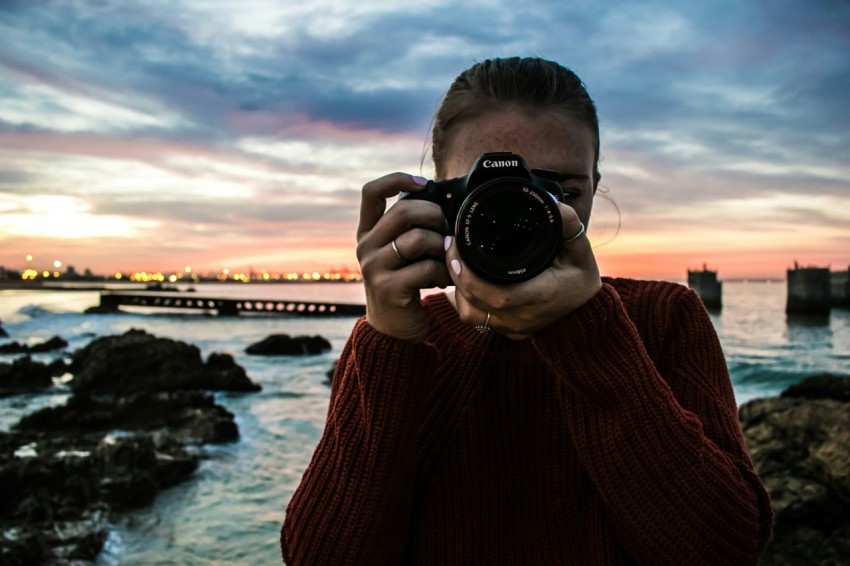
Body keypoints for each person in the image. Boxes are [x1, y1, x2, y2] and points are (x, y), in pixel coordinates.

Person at [281, 56, 773, 565]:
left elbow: (724, 551)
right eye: (490, 194)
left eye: (560, 190)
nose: (525, 213)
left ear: (594, 185)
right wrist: (390, 339)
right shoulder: (405, 343)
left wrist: (589, 332)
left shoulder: (664, 318)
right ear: (437, 195)